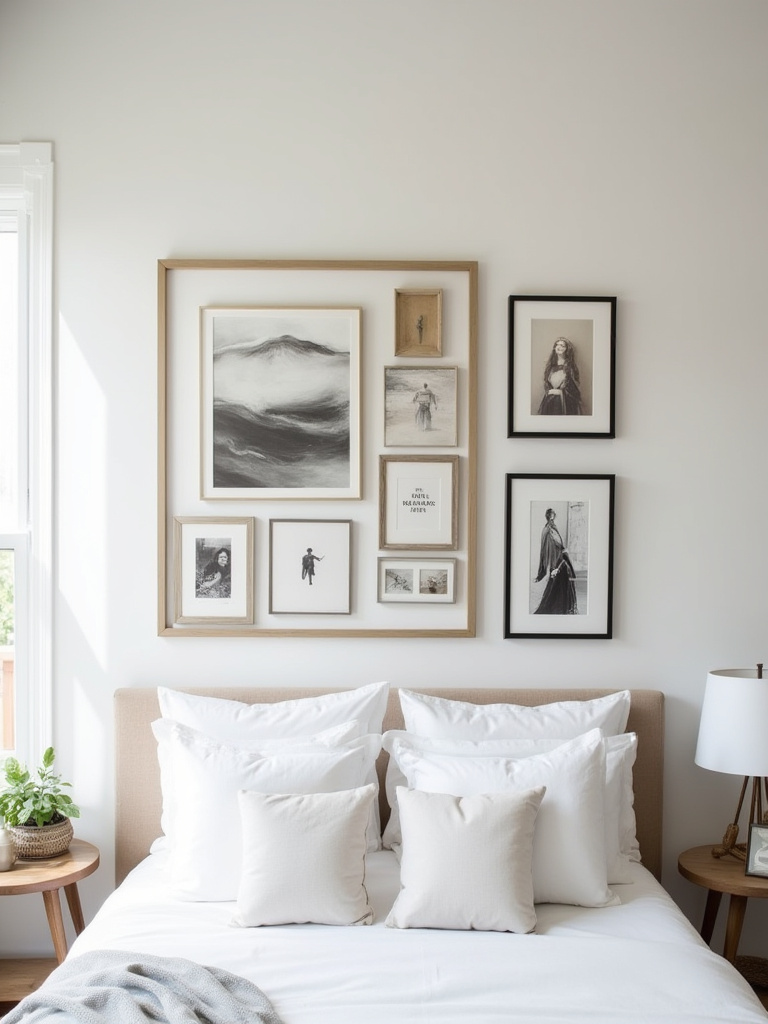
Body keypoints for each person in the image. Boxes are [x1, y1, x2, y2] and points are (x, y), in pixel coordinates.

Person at [533, 509, 577, 614]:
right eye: (551, 515)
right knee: (562, 576)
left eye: (553, 515)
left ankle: (564, 607)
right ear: (548, 517)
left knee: (562, 578)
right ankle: (563, 607)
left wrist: (562, 549)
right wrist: (563, 549)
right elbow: (555, 543)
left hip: (557, 557)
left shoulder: (549, 528)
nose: (552, 517)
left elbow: (556, 542)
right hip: (556, 557)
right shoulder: (548, 529)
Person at [537, 336, 583, 415]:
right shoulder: (550, 366)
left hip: (565, 402)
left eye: (562, 345)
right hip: (550, 400)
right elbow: (547, 383)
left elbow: (575, 385)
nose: (559, 347)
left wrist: (561, 391)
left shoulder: (570, 366)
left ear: (567, 349)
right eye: (557, 345)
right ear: (554, 348)